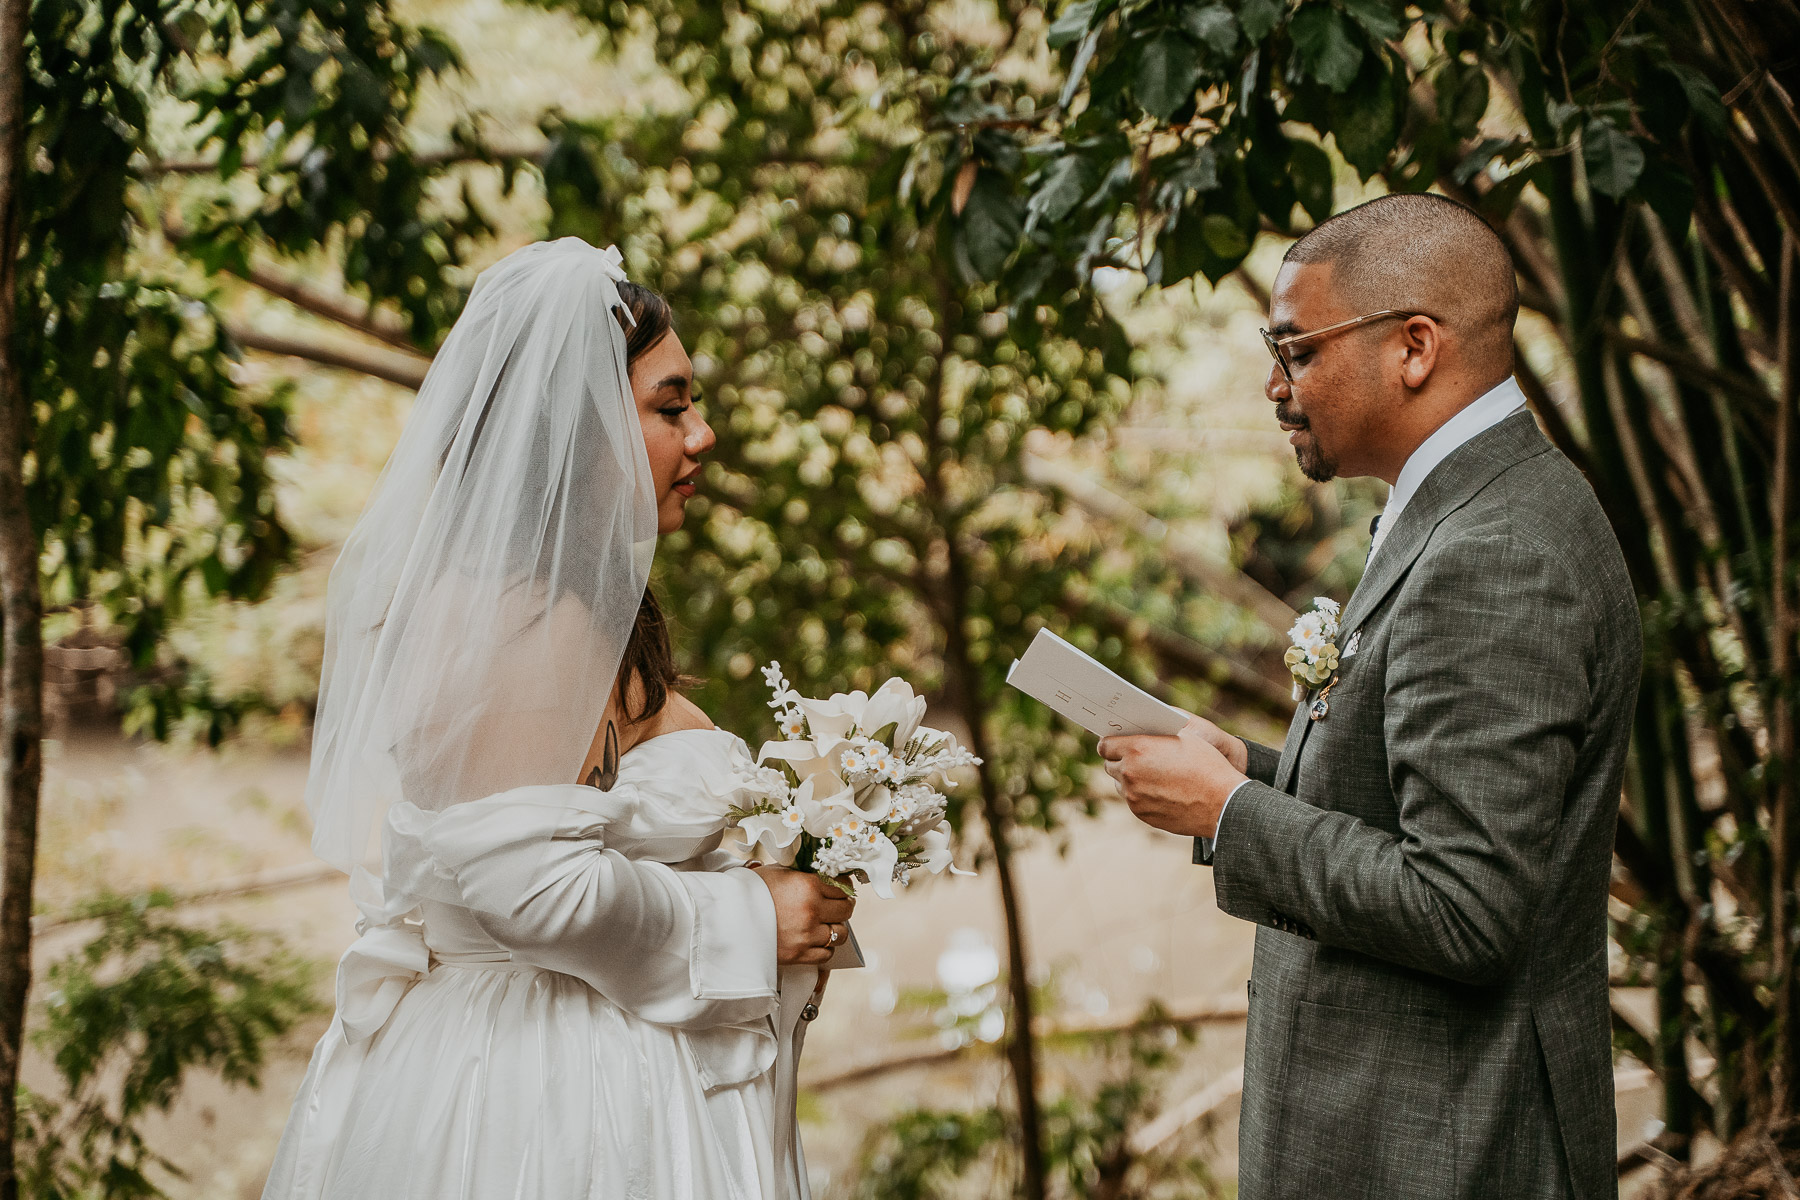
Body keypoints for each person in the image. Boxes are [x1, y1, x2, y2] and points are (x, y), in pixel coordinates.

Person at [261, 239, 848, 1200]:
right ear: (580, 433)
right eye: (671, 406)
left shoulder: (551, 604)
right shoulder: (532, 617)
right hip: (552, 1106)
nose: (701, 435)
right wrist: (751, 915)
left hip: (539, 1058)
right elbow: (531, 889)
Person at [1101, 193, 1639, 1200]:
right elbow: (1406, 798)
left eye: (1297, 351)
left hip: (1447, 1145)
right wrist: (1252, 773)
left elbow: (1466, 905)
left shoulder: (1497, 552)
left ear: (1415, 347)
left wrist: (1231, 813)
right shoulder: (1463, 505)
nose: (1273, 385)